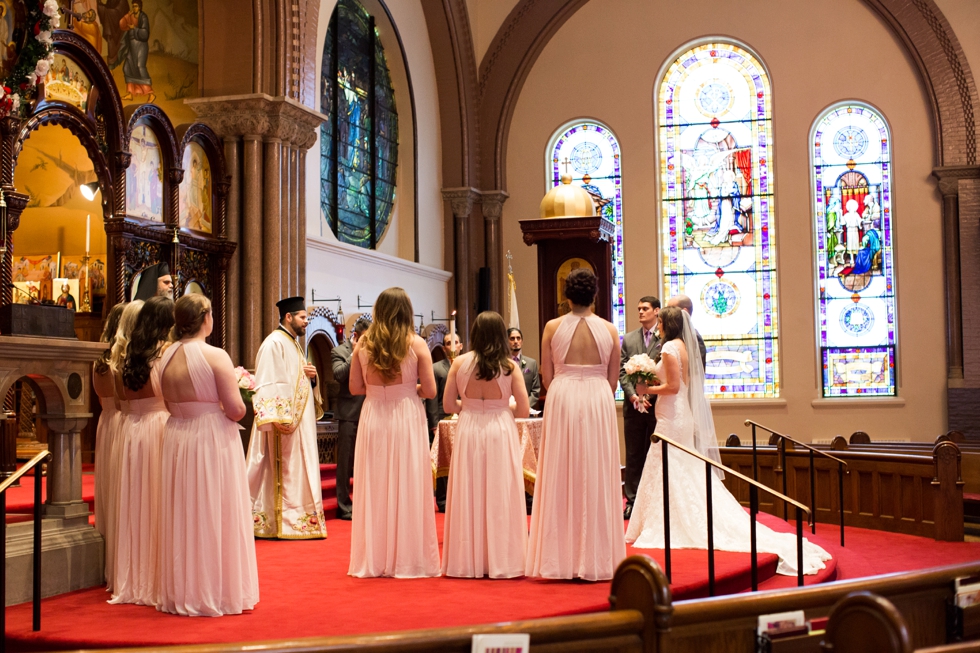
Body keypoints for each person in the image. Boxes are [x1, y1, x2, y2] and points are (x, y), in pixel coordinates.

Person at [625, 308, 832, 576]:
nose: (659, 326)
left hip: (672, 415)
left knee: (670, 465)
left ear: (668, 324)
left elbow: (674, 387)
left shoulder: (668, 350)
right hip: (676, 414)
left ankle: (670, 521)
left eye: (661, 322)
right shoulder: (682, 347)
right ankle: (670, 516)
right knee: (677, 466)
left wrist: (646, 389)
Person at [157, 294, 259, 616]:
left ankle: (183, 590)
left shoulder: (164, 357)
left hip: (176, 437)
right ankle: (215, 590)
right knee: (214, 510)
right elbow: (236, 410)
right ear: (205, 318)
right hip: (209, 438)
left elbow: (166, 403)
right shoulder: (215, 355)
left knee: (184, 512)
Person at [526, 268, 625, 581]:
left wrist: (568, 386)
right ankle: (597, 557)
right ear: (594, 295)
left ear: (566, 296)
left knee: (562, 470)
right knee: (596, 470)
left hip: (564, 394)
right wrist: (594, 390)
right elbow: (613, 381)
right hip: (598, 397)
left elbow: (545, 375)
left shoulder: (552, 327)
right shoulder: (609, 330)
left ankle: (560, 557)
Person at [348, 287, 440, 578]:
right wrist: (407, 388)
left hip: (374, 414)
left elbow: (354, 388)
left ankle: (375, 558)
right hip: (406, 416)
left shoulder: (363, 344)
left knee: (375, 484)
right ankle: (408, 558)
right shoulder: (416, 344)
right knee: (407, 481)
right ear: (406, 312)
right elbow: (430, 390)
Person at [441, 312, 529, 579]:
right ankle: (501, 559)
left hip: (469, 428)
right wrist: (503, 405)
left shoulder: (459, 363)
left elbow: (446, 406)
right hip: (499, 429)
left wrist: (468, 406)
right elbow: (523, 409)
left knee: (470, 489)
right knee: (500, 490)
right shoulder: (509, 367)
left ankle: (467, 561)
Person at [111, 295, 174, 606]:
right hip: (159, 427)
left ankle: (134, 575)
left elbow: (122, 399)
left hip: (133, 430)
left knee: (137, 501)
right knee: (158, 500)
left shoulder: (128, 354)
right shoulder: (166, 354)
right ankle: (158, 575)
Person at [246, 297, 326, 539]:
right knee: (277, 471)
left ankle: (296, 521)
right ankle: (274, 522)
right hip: (281, 424)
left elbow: (296, 379)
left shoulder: (294, 344)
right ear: (288, 317)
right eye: (303, 317)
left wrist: (312, 379)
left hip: (298, 423)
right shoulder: (274, 343)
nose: (306, 322)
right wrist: (279, 418)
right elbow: (270, 381)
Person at [104, 300, 143, 594]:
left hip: (116, 424)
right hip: (138, 425)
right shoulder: (138, 360)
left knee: (117, 492)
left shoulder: (108, 357)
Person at [619, 296, 661, 520]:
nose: (641, 312)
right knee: (634, 455)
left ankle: (653, 501)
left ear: (656, 311)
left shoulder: (663, 337)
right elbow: (623, 371)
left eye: (645, 308)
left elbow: (664, 370)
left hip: (656, 406)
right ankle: (632, 502)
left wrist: (648, 395)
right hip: (633, 407)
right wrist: (634, 396)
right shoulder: (629, 338)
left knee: (653, 455)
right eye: (638, 309)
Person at [92, 303, 125, 587]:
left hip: (106, 422)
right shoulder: (121, 358)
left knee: (109, 489)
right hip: (122, 422)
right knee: (119, 491)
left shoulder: (100, 356)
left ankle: (109, 556)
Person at [330, 318, 371, 521]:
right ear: (356, 336)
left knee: (368, 461)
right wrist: (355, 353)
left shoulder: (372, 350)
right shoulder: (339, 352)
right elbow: (338, 375)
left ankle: (365, 504)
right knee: (345, 463)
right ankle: (344, 506)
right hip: (348, 414)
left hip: (370, 412)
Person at [426, 331, 461, 512]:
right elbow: (432, 398)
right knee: (443, 460)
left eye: (455, 342)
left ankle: (460, 498)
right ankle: (442, 499)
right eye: (448, 343)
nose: (452, 346)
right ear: (444, 347)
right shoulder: (436, 368)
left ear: (461, 346)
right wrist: (433, 424)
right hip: (441, 418)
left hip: (462, 418)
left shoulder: (466, 366)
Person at [114, 0, 155, 102]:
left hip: (141, 46)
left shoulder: (143, 17)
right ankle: (130, 93)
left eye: (136, 6)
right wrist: (127, 15)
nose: (134, 8)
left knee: (139, 67)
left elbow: (145, 33)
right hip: (132, 46)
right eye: (133, 6)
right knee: (128, 67)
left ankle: (151, 94)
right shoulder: (130, 16)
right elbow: (122, 25)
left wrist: (135, 28)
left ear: (140, 7)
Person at [666, 294, 707, 369]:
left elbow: (696, 370)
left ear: (685, 312)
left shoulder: (694, 337)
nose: (667, 313)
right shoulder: (672, 334)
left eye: (671, 309)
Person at [507, 327, 540, 409]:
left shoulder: (531, 363)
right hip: (506, 409)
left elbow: (535, 390)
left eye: (518, 338)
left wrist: (524, 406)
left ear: (522, 341)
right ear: (506, 341)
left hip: (526, 409)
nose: (516, 341)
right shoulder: (500, 363)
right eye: (512, 338)